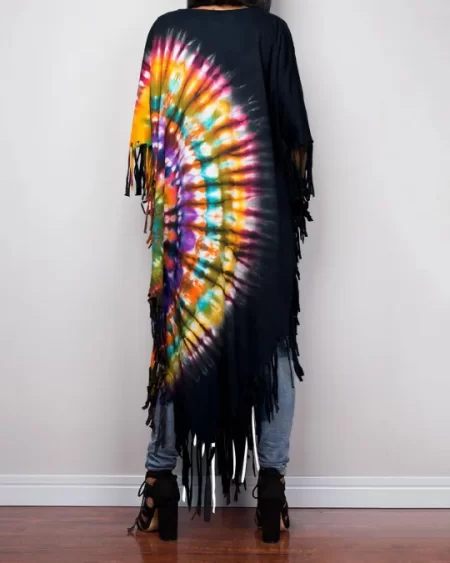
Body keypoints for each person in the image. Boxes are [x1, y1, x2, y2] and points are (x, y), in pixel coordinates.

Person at [125, 0, 314, 544]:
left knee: (177, 348)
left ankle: (160, 483)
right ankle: (272, 488)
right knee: (272, 348)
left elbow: (149, 142)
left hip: (188, 229)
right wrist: (285, 205)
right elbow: (297, 140)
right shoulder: (271, 33)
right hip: (261, 228)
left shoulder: (166, 31)